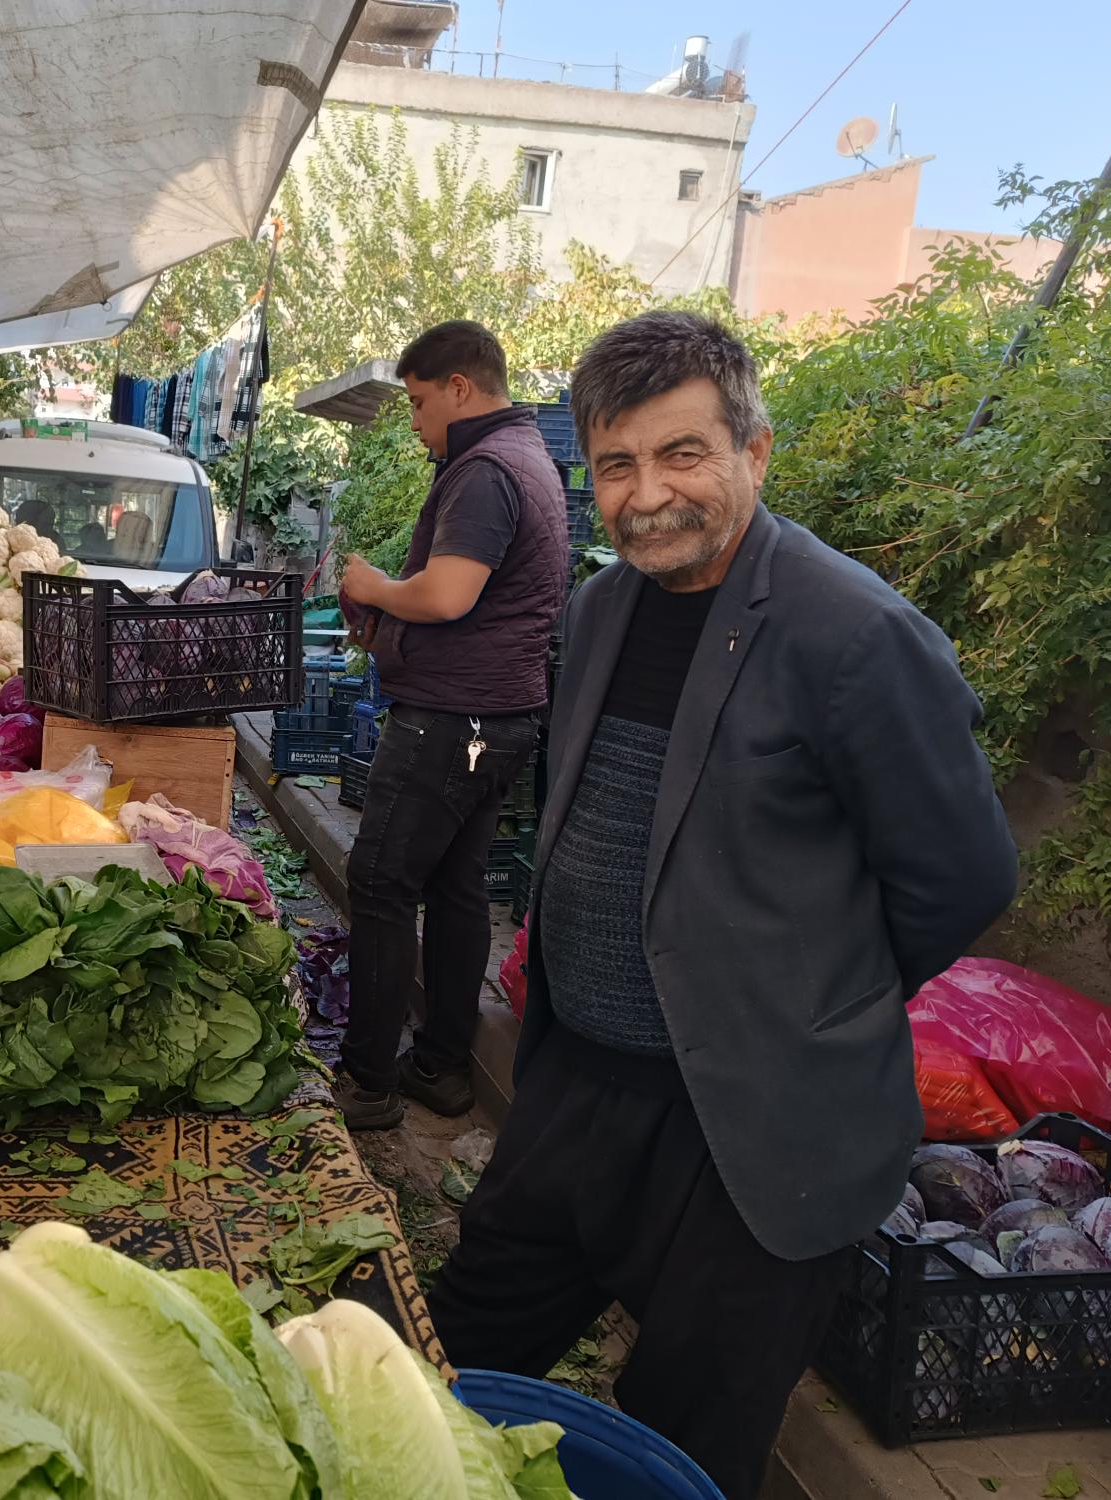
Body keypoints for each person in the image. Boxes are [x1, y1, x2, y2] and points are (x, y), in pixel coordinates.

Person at [425, 312, 1018, 1499]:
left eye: (680, 454)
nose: (646, 495)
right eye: (616, 464)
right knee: (439, 1366)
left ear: (752, 451)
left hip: (751, 1134)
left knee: (683, 1438)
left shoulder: (855, 636)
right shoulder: (598, 614)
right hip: (579, 1094)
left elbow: (959, 880)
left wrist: (794, 1004)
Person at [335, 320, 568, 1129]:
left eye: (419, 401)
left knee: (381, 883)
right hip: (499, 715)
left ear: (461, 388)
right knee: (456, 886)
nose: (415, 420)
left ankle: (368, 1086)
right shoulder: (528, 459)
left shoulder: (486, 468)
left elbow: (446, 596)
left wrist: (371, 586)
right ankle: (440, 1069)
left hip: (451, 719)